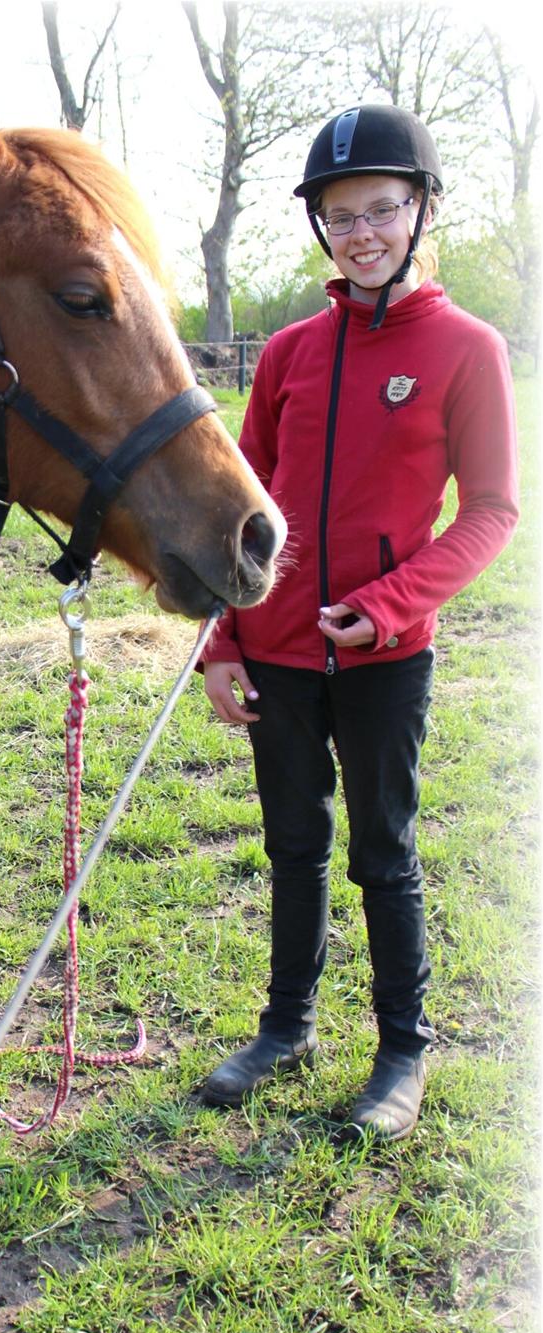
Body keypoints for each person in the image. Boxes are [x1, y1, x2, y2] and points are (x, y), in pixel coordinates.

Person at [198, 104, 519, 1140]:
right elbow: (240, 513)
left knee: (383, 851)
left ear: (420, 211)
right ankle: (285, 1025)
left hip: (385, 658)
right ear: (321, 229)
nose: (363, 231)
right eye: (341, 215)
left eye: (382, 208)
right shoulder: (289, 351)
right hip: (278, 653)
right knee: (292, 843)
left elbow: (491, 512)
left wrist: (384, 608)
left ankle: (400, 1051)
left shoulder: (467, 349)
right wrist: (222, 640)